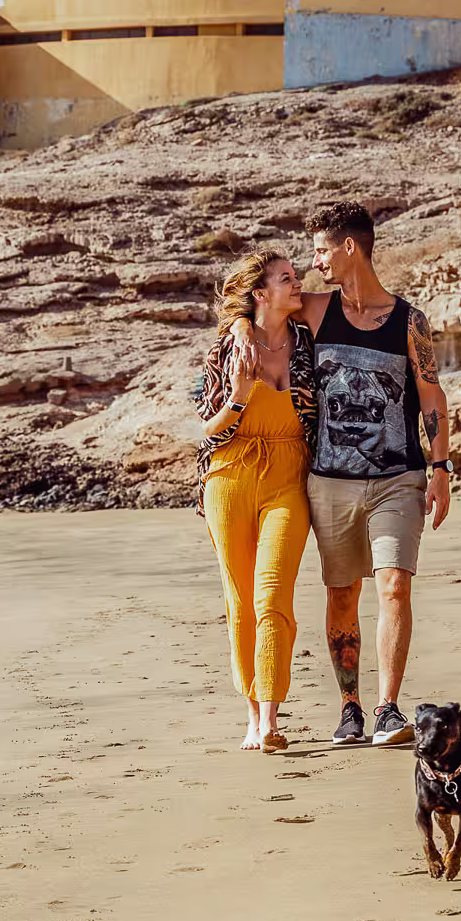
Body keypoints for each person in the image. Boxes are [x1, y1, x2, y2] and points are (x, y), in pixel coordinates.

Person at [229, 201, 452, 747]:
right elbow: (259, 303)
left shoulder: (408, 321)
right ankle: (350, 708)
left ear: (349, 247)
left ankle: (386, 709)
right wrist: (239, 326)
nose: (315, 262)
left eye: (322, 250)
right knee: (342, 594)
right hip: (329, 481)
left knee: (394, 584)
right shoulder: (316, 309)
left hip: (398, 477)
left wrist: (441, 467)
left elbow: (431, 395)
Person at [195, 251, 319, 752]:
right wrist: (240, 396)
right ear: (261, 294)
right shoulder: (228, 348)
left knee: (273, 594)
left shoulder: (308, 341)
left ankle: (271, 717)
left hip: (289, 474)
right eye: (287, 278)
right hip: (230, 474)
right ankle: (252, 716)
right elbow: (207, 429)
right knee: (240, 600)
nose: (298, 282)